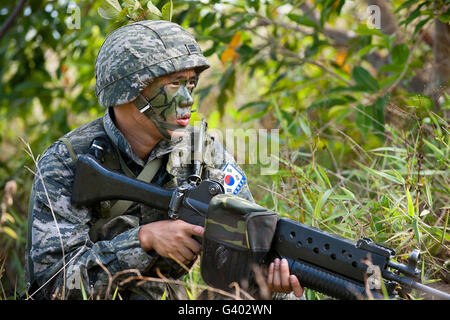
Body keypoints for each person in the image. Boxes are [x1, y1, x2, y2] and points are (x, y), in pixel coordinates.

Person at [25, 20, 303, 300]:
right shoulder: (68, 162)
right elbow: (51, 285)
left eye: (190, 83)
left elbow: (250, 242)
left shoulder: (201, 152)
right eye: (174, 84)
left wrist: (266, 286)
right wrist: (143, 240)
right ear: (129, 90)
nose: (188, 100)